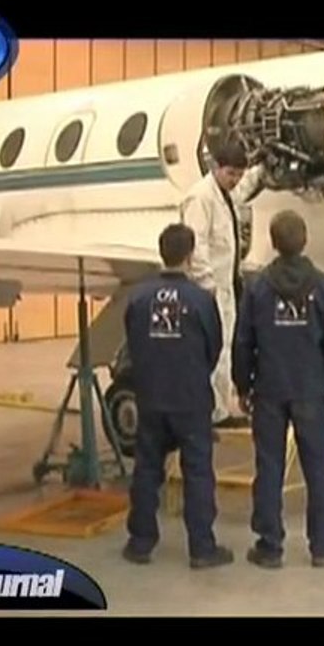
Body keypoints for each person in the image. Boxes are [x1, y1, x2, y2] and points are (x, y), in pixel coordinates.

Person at [232, 209, 324, 569]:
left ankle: (269, 546)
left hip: (269, 387)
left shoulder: (257, 288)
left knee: (268, 467)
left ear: (273, 241)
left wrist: (242, 384)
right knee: (318, 467)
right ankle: (323, 545)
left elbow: (243, 341)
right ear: (305, 240)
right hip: (311, 387)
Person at [121, 223, 233, 569]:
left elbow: (132, 342)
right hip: (190, 398)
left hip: (151, 396)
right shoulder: (201, 300)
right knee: (197, 471)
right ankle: (202, 548)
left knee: (147, 469)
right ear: (190, 254)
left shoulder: (138, 298)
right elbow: (214, 347)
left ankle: (140, 542)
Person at [179, 141, 264, 429]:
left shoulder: (225, 193)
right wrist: (207, 284)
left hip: (225, 286)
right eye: (231, 174)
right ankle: (210, 412)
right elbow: (196, 242)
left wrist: (262, 170)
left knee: (225, 346)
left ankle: (219, 409)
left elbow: (241, 191)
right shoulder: (200, 198)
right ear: (215, 167)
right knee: (213, 348)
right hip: (209, 288)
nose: (235, 180)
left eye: (239, 174)